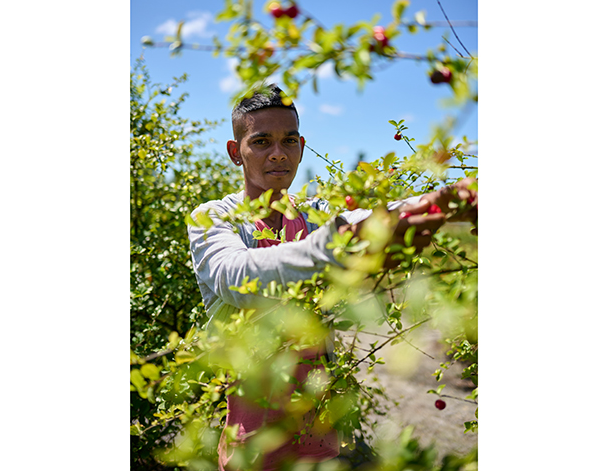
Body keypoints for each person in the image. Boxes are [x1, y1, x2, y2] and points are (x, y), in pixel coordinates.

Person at [187, 84, 477, 470]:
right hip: (252, 437)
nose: (278, 153)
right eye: (261, 142)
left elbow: (369, 217)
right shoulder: (215, 218)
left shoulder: (313, 215)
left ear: (302, 146)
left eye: (289, 140)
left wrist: (445, 202)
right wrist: (336, 244)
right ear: (234, 152)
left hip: (317, 425)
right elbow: (235, 278)